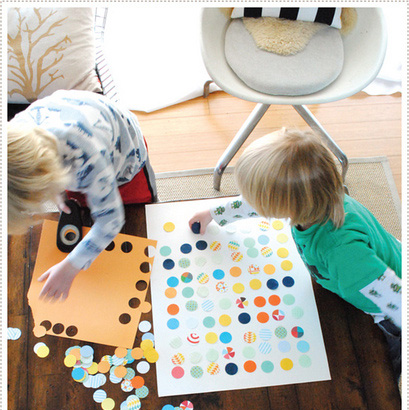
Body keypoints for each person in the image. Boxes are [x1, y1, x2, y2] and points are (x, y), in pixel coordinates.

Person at [189, 128, 402, 379]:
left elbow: (396, 301)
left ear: (286, 206)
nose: (253, 204)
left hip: (386, 309)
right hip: (371, 268)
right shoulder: (316, 197)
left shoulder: (342, 253)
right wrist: (215, 213)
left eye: (258, 200)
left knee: (380, 374)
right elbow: (256, 202)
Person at [8, 90, 151, 302]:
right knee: (89, 196)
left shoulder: (87, 158)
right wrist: (56, 192)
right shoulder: (16, 135)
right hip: (79, 135)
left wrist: (70, 267)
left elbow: (111, 221)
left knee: (139, 206)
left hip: (125, 154)